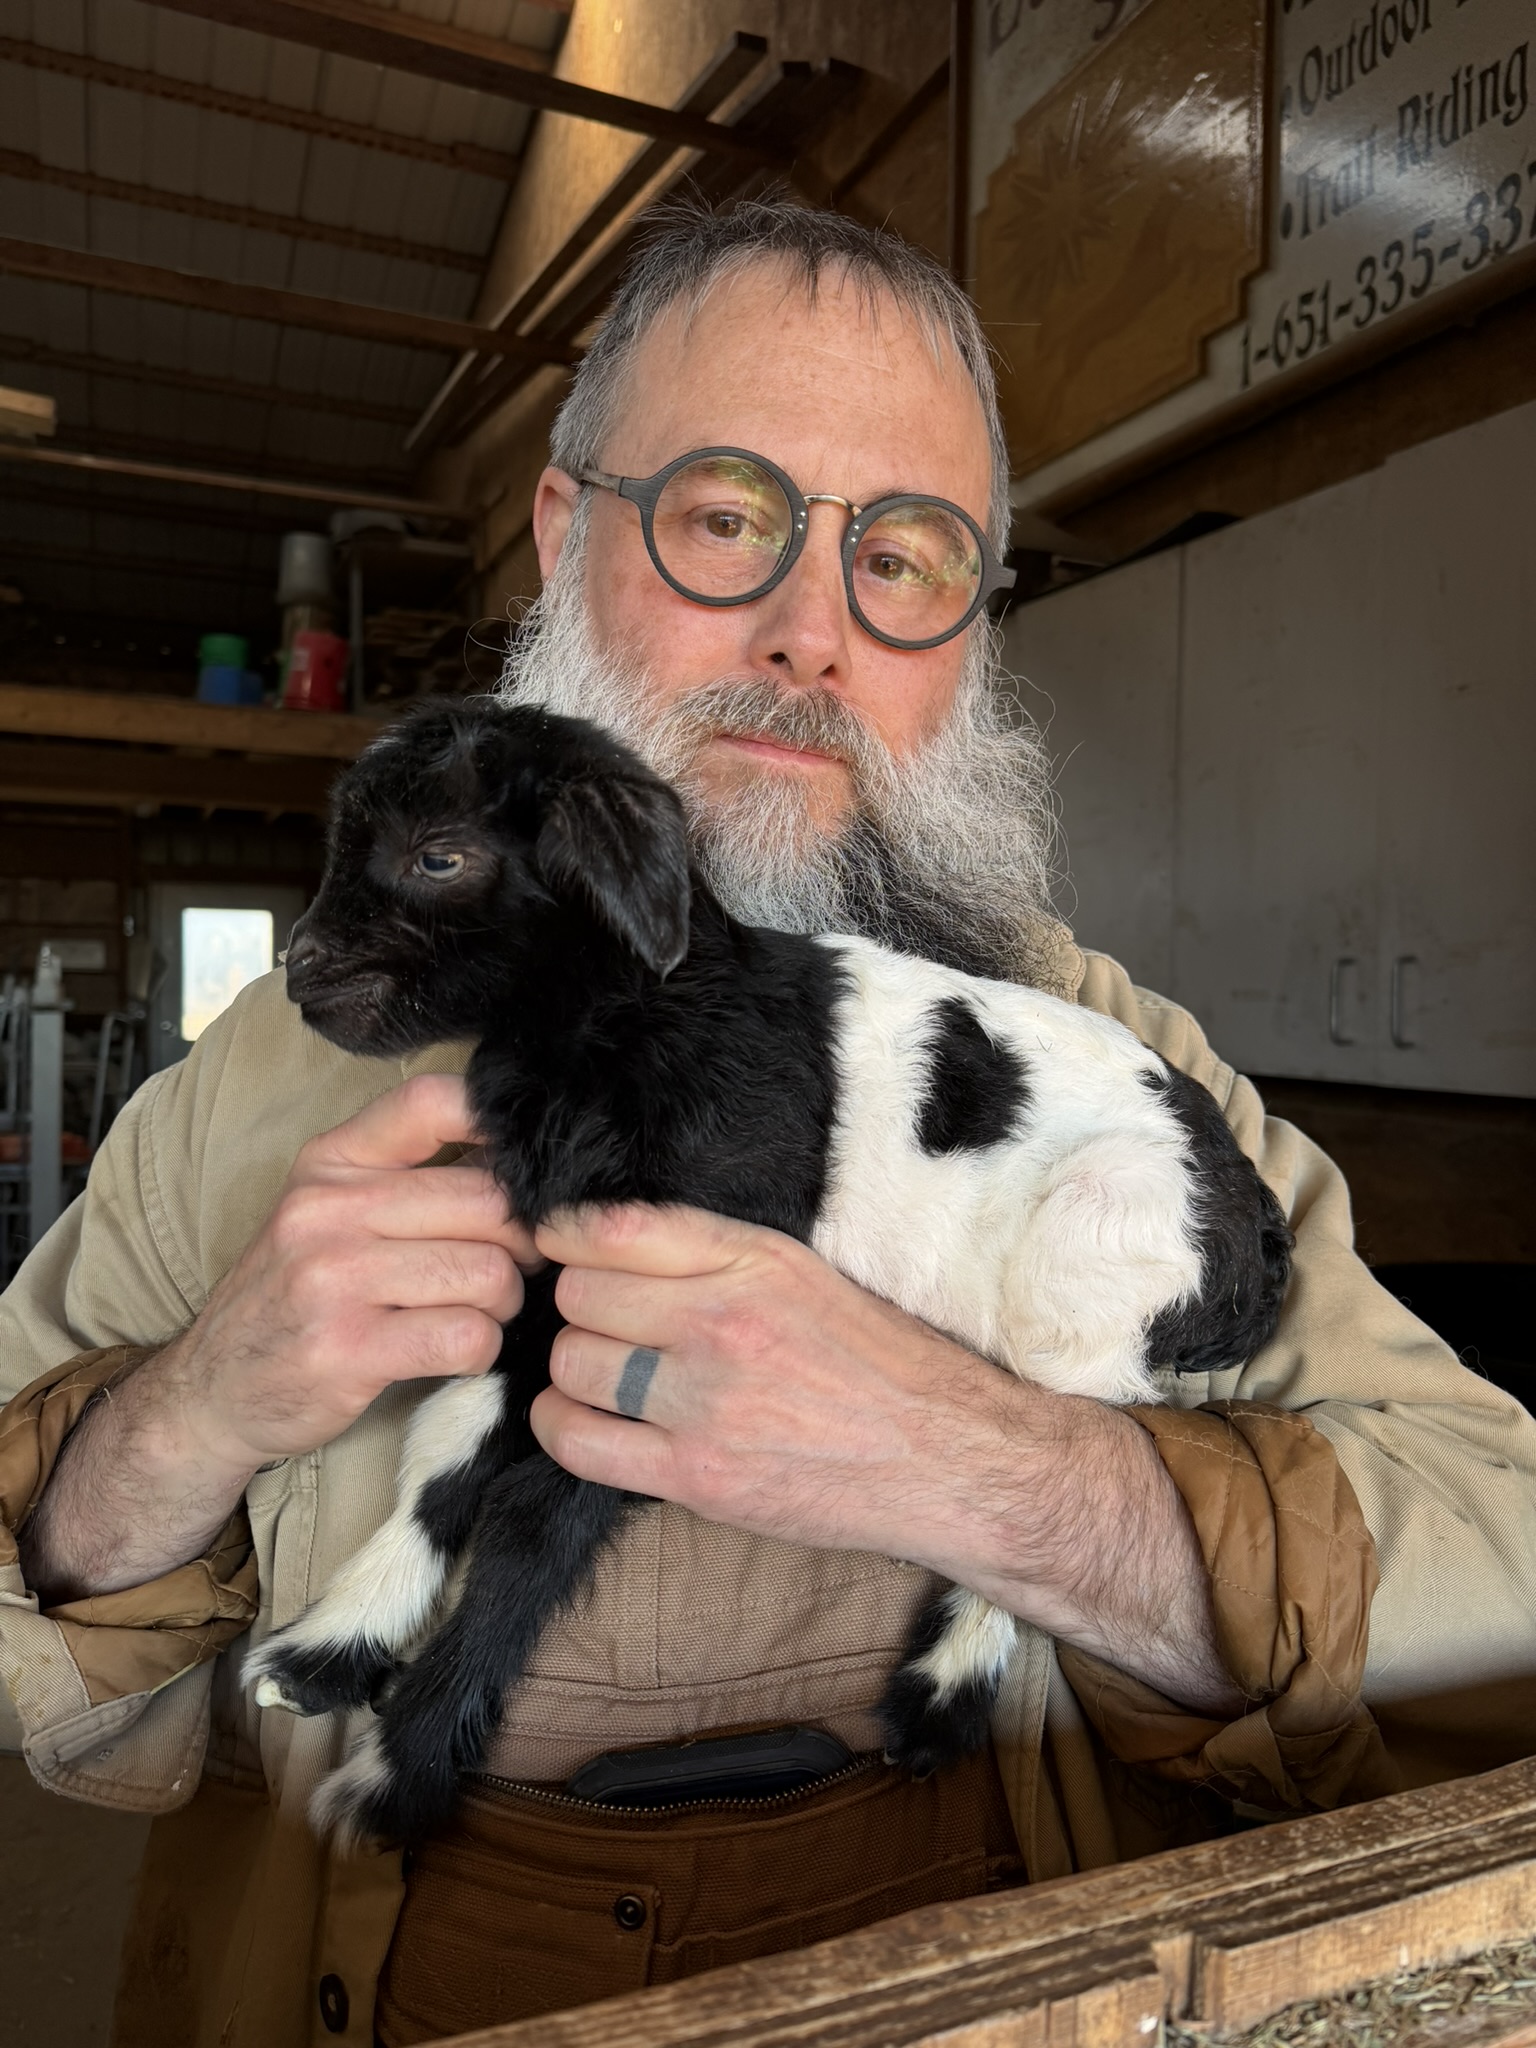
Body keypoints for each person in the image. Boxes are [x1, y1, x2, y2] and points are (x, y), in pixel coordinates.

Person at [2, 200, 1533, 2048]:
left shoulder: (1105, 1065)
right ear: (567, 538)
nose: (814, 634)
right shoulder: (261, 1086)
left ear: (966, 629)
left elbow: (1500, 1593)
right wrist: (193, 1407)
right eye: (729, 517)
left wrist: (1011, 1476)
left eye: (905, 558)